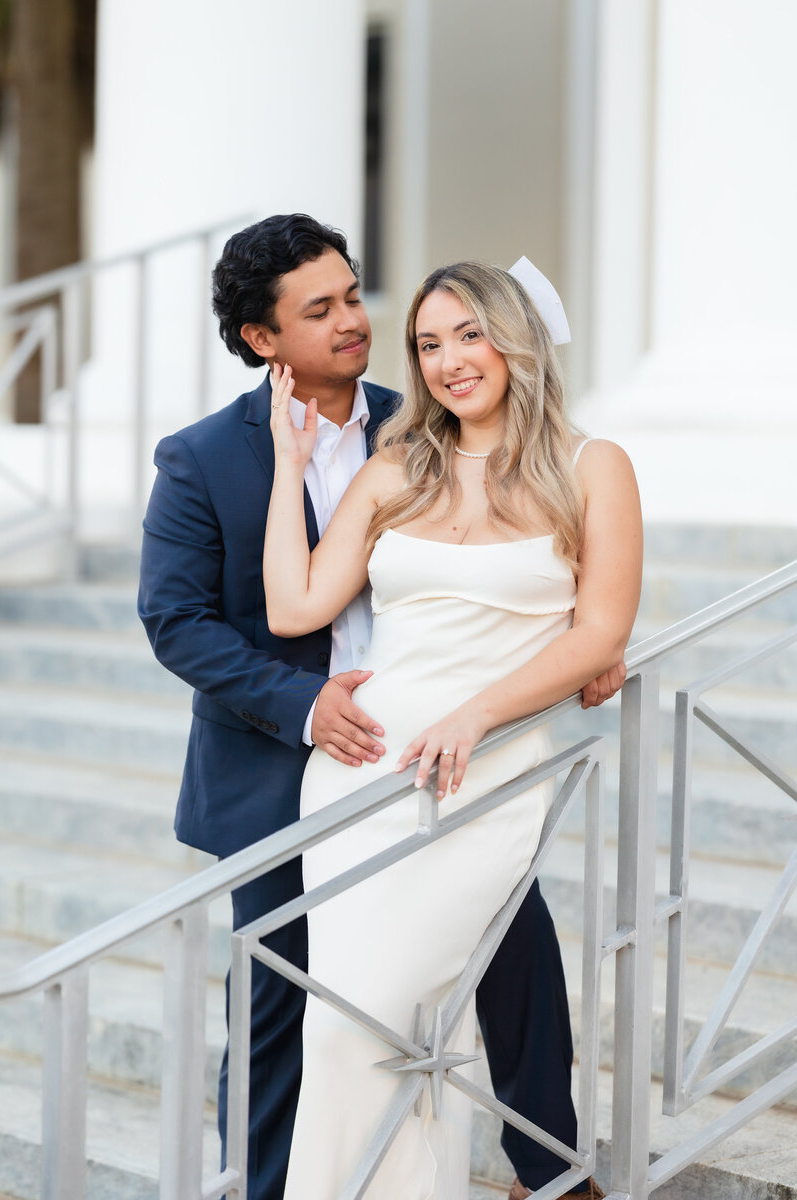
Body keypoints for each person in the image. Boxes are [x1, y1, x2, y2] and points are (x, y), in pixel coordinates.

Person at [138, 214, 626, 1200]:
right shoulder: (202, 458)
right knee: (297, 1011)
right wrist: (305, 707)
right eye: (319, 310)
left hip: (465, 752)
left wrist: (586, 640)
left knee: (507, 963)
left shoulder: (426, 419)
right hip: (295, 763)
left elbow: (556, 558)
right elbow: (178, 622)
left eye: (354, 295)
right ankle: (275, 1188)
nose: (353, 321)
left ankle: (551, 1166)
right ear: (260, 341)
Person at [264, 258, 642, 1199]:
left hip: (492, 769)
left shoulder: (594, 467)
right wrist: (288, 465)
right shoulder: (400, 465)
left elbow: (601, 629)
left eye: (468, 335)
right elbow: (294, 605)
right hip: (364, 775)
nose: (446, 362)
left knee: (391, 1013)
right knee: (348, 1024)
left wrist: (477, 712)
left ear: (514, 337)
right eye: (428, 345)